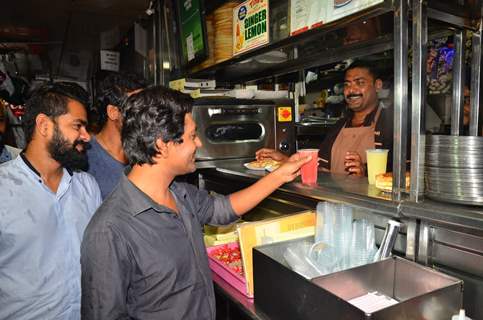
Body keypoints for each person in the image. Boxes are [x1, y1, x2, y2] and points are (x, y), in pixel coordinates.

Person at [81, 86, 311, 320]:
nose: (199, 143)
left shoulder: (180, 195)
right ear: (162, 145)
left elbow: (223, 209)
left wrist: (281, 174)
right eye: (192, 136)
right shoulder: (109, 231)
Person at [0, 82, 102, 320]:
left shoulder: (87, 186)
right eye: (78, 126)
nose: (86, 137)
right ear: (44, 125)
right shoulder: (4, 188)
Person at [257, 60, 393, 176]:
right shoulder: (340, 125)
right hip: (336, 202)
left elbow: (406, 175)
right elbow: (320, 170)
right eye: (347, 84)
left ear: (378, 85)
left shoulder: (392, 123)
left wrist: (366, 173)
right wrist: (283, 160)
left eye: (360, 83)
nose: (351, 90)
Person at [87, 71, 144, 199]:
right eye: (137, 107)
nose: (145, 115)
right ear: (113, 112)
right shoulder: (86, 161)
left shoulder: (145, 153)